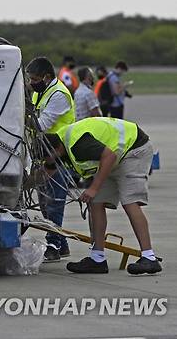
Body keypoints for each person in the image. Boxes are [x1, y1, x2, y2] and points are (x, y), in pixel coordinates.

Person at [44, 117, 162, 275]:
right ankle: (97, 259)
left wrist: (93, 188)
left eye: (47, 158)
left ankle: (149, 258)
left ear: (56, 150)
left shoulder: (78, 144)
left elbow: (109, 157)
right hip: (115, 154)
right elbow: (47, 171)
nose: (47, 161)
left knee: (130, 201)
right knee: (96, 202)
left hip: (134, 149)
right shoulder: (56, 144)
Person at [26, 56, 76, 262]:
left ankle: (54, 244)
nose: (32, 83)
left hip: (59, 154)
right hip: (43, 152)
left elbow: (42, 124)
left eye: (35, 79)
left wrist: (22, 116)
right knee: (45, 204)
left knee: (55, 201)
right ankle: (62, 244)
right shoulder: (43, 93)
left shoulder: (59, 94)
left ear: (47, 77)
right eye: (29, 79)